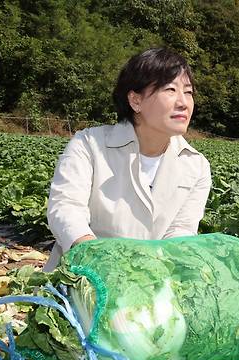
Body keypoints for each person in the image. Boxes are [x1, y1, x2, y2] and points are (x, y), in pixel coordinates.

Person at [44, 48, 211, 271]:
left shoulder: (196, 165)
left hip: (149, 282)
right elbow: (66, 208)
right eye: (170, 89)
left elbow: (181, 231)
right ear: (135, 100)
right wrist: (93, 257)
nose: (183, 102)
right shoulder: (89, 144)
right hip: (81, 278)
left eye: (188, 92)